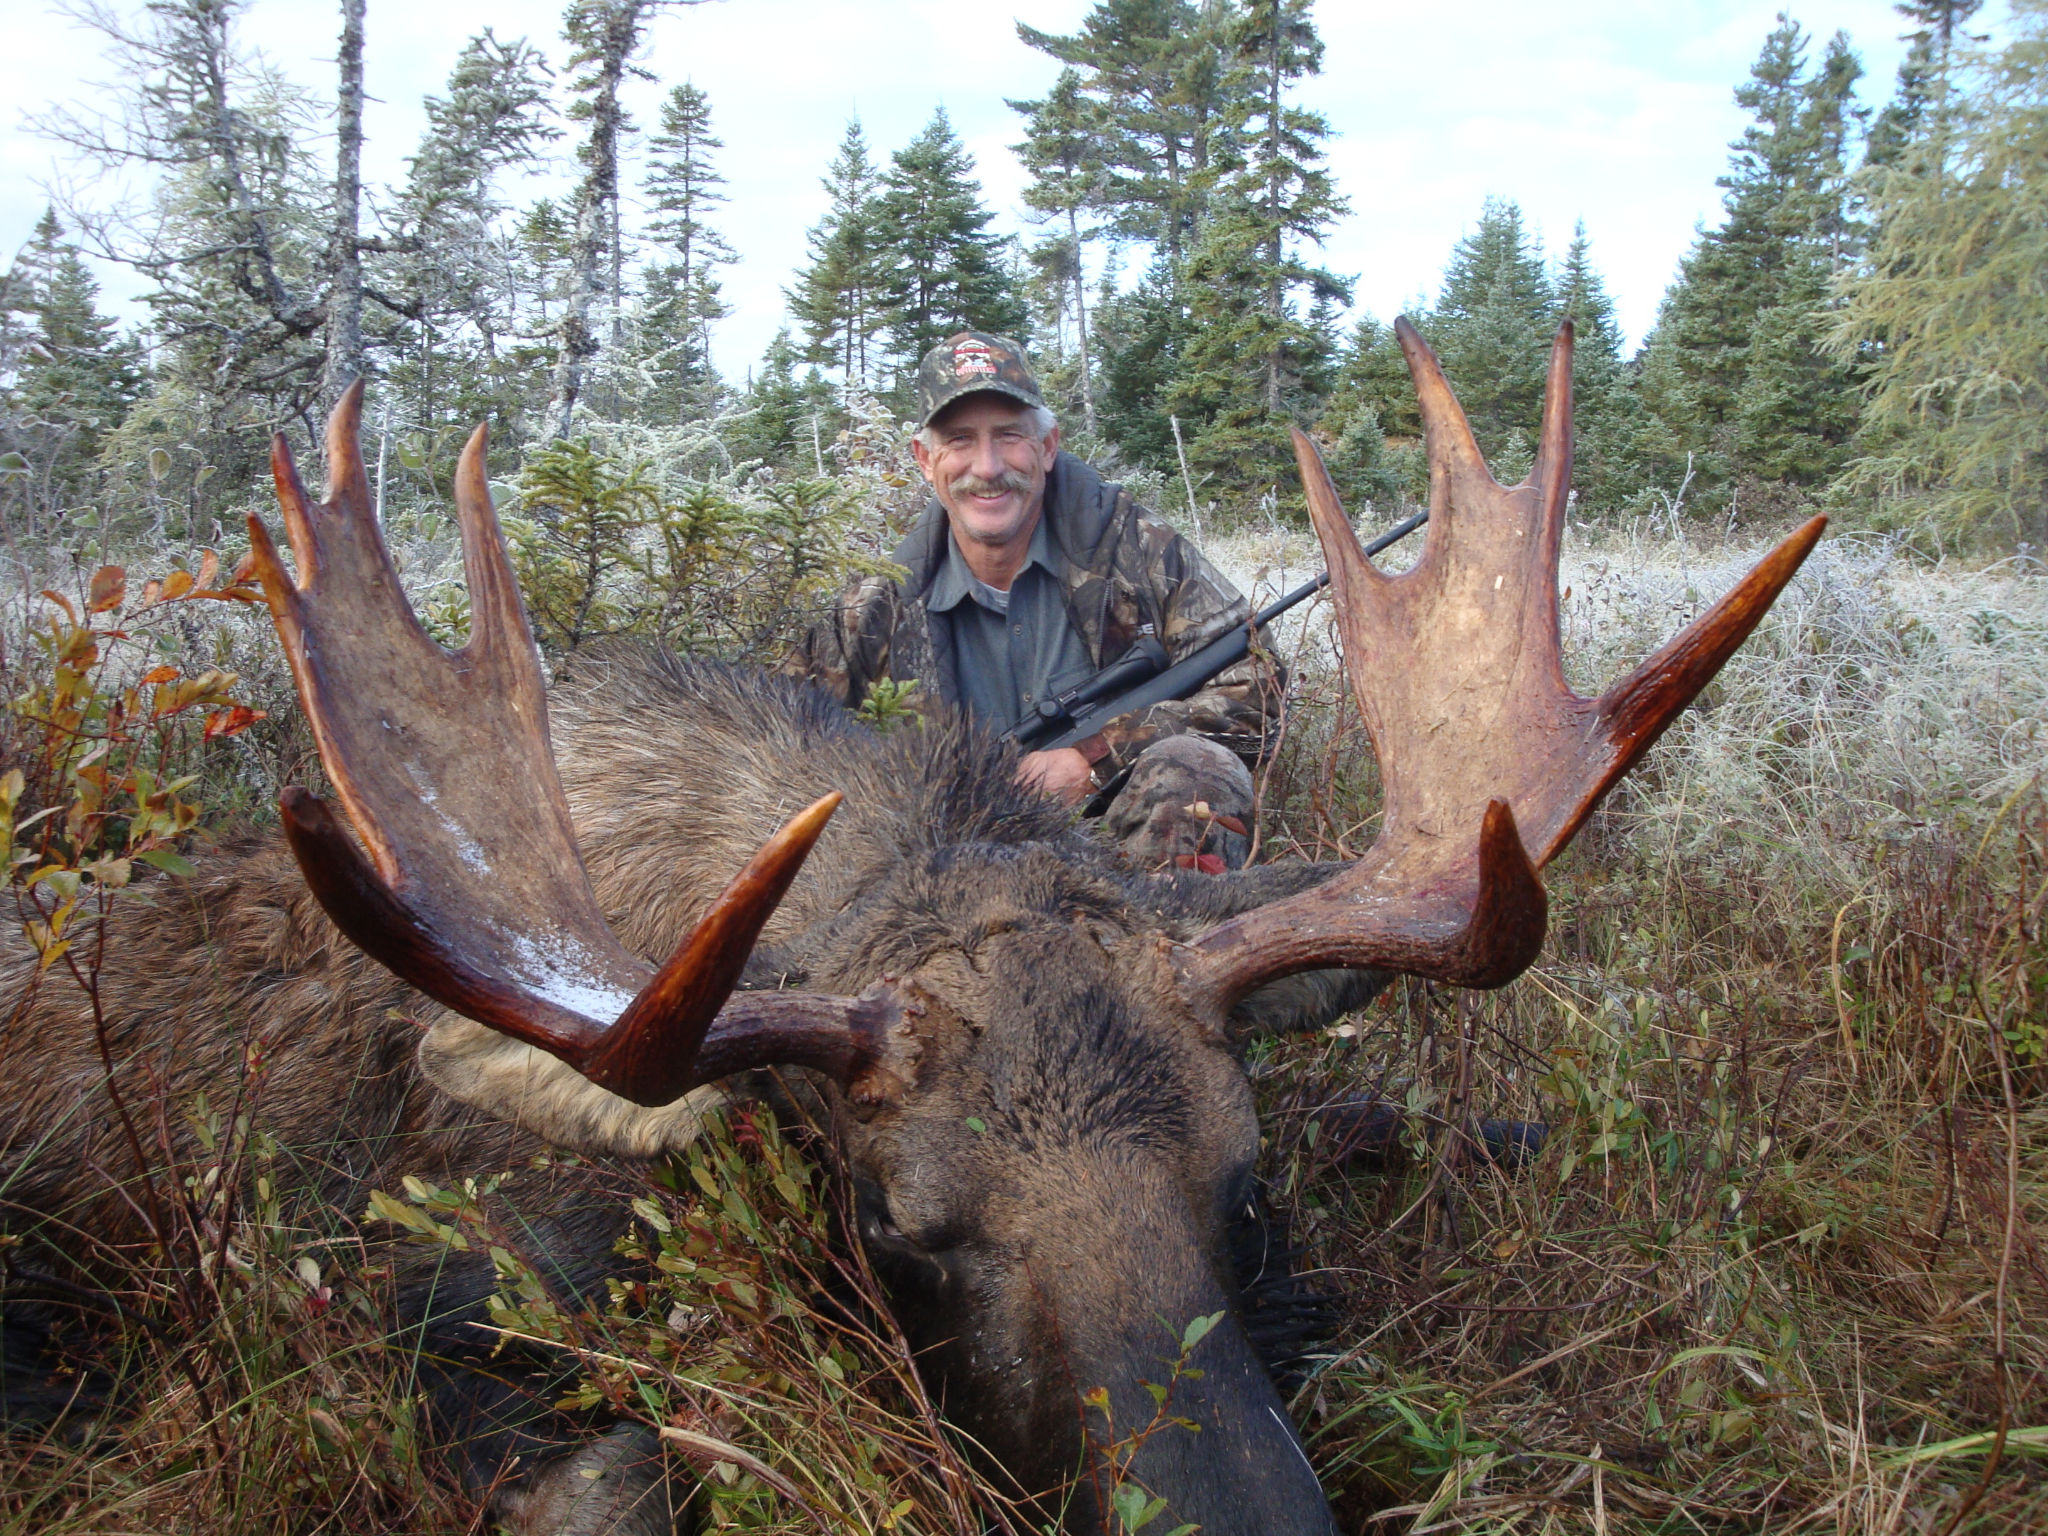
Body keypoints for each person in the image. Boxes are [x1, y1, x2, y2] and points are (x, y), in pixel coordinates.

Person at [785, 331, 1282, 873]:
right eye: (959, 440)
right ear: (926, 460)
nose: (989, 466)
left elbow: (1258, 684)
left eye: (1009, 436)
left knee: (1196, 768)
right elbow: (784, 735)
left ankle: (1173, 948)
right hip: (937, 876)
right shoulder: (877, 606)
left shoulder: (1138, 550)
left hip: (1116, 864)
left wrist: (1094, 758)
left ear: (1047, 447)